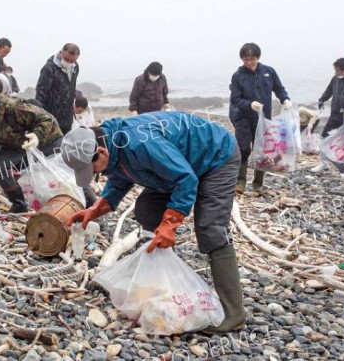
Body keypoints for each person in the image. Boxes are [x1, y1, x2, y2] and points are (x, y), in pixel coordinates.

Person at [61, 113, 245, 333]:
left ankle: (234, 314)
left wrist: (170, 224)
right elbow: (120, 176)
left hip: (216, 156)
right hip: (182, 164)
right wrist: (95, 210)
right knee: (147, 208)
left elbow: (185, 180)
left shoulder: (140, 144)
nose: (95, 174)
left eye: (92, 169)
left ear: (101, 152)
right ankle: (164, 283)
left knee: (210, 228)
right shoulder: (112, 144)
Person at [229, 43, 291, 195]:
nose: (249, 62)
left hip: (263, 118)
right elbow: (235, 99)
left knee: (263, 150)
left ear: (258, 57)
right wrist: (250, 104)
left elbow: (279, 89)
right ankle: (240, 182)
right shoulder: (238, 76)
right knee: (243, 148)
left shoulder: (268, 72)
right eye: (246, 59)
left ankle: (257, 184)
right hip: (243, 116)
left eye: (252, 59)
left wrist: (285, 99)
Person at [310, 58, 344, 180]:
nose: (335, 72)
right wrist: (322, 99)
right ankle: (324, 164)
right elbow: (329, 90)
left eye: (337, 70)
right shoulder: (336, 78)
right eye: (334, 69)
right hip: (335, 115)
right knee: (324, 138)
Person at [35, 43, 80, 134]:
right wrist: (40, 116)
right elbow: (41, 92)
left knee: (66, 144)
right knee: (53, 146)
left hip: (67, 117)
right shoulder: (49, 68)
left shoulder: (75, 67)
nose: (70, 62)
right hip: (52, 116)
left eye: (73, 60)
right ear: (61, 53)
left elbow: (72, 89)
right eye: (67, 59)